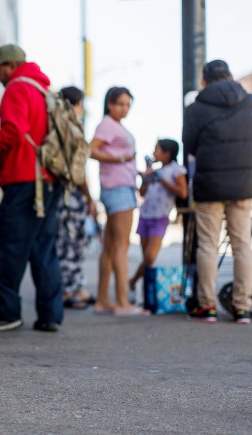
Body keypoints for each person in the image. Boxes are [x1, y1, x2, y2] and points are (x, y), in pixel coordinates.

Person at [0, 44, 64, 332]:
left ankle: (6, 312)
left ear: (10, 65)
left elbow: (12, 129)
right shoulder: (43, 89)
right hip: (49, 179)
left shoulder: (16, 88)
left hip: (25, 180)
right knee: (42, 246)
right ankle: (50, 315)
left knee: (2, 243)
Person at [182, 59, 252, 324]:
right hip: (243, 183)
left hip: (210, 184)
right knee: (242, 246)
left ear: (204, 81)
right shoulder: (251, 102)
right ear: (230, 76)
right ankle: (242, 307)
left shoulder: (195, 108)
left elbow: (189, 145)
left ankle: (207, 306)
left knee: (207, 244)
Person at [89, 86, 148, 316]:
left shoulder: (113, 125)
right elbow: (91, 151)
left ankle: (103, 300)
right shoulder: (107, 124)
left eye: (128, 104)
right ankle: (123, 303)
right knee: (121, 247)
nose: (125, 109)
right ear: (110, 104)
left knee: (111, 247)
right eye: (120, 104)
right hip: (119, 189)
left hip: (116, 187)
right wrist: (120, 157)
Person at [129, 139, 188, 292]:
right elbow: (141, 193)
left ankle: (134, 280)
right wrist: (147, 177)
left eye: (157, 150)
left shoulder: (176, 170)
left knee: (150, 257)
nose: (154, 153)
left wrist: (162, 181)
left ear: (167, 153)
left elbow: (182, 192)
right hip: (144, 215)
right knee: (146, 260)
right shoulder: (154, 170)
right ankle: (147, 293)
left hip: (160, 217)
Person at [56, 86, 96, 309]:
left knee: (61, 244)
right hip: (70, 196)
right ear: (78, 104)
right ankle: (69, 291)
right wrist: (90, 198)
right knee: (72, 245)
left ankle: (71, 288)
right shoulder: (72, 128)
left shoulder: (54, 124)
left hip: (56, 196)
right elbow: (78, 172)